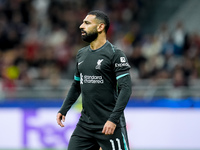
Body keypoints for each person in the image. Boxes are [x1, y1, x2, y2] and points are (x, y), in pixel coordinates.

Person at [56, 10, 132, 150]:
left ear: (100, 27)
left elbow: (126, 89)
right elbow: (76, 85)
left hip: (109, 125)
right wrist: (64, 109)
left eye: (86, 23)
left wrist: (113, 119)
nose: (81, 26)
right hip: (85, 125)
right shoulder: (81, 54)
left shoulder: (115, 54)